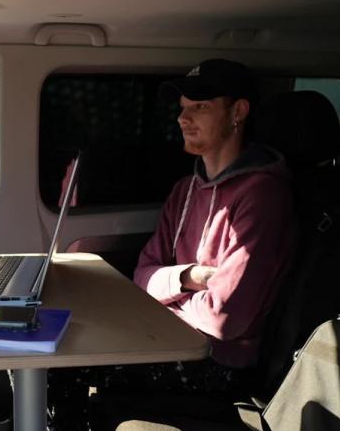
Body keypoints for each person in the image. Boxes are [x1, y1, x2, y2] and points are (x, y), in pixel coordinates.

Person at [48, 59, 295, 429]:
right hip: (170, 339)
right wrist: (191, 277)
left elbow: (226, 318)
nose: (183, 118)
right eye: (182, 108)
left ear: (238, 112)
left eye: (200, 107)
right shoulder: (185, 190)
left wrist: (168, 299)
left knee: (69, 370)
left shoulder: (262, 197)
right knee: (60, 357)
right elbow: (142, 276)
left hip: (222, 363)